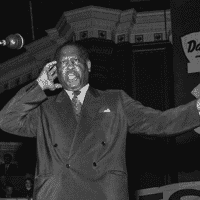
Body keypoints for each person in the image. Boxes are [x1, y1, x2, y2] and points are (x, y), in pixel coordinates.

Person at [0, 41, 200, 200]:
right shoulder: (44, 107)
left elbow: (161, 122)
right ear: (56, 71)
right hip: (56, 194)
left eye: (74, 61)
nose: (68, 66)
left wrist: (197, 108)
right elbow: (6, 120)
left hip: (103, 192)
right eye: (63, 63)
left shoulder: (115, 100)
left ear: (88, 66)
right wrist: (39, 86)